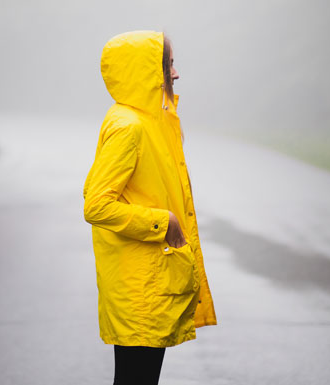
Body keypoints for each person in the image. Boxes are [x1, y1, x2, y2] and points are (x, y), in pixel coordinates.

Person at [83, 30, 217, 385]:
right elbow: (96, 205)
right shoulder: (130, 127)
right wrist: (163, 222)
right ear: (145, 71)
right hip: (138, 288)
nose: (175, 74)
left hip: (148, 281)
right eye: (168, 65)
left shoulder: (153, 122)